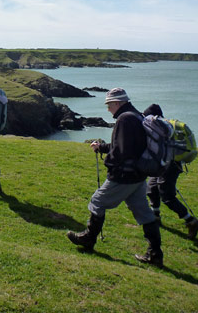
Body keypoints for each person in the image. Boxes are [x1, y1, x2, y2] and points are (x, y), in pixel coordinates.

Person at [66, 88, 164, 267]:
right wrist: (102, 147)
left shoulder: (124, 119)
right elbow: (124, 144)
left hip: (124, 175)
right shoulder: (135, 116)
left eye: (109, 105)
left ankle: (89, 239)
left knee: (97, 201)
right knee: (143, 212)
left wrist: (109, 163)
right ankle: (155, 253)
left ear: (118, 103)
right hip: (138, 175)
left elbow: (121, 151)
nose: (108, 109)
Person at [143, 103, 198, 240]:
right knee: (152, 188)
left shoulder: (161, 128)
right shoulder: (166, 126)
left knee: (167, 196)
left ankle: (191, 221)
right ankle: (155, 216)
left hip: (171, 165)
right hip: (164, 163)